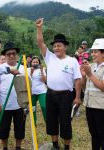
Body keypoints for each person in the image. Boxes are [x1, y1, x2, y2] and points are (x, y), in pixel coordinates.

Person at [35, 18, 82, 150]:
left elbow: (77, 80)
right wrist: (39, 28)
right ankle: (55, 145)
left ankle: (67, 146)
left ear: (65, 47)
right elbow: (40, 43)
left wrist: (77, 97)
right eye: (54, 46)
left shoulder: (72, 61)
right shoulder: (49, 57)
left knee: (65, 121)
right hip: (50, 94)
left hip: (66, 95)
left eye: (59, 45)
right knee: (51, 120)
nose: (56, 48)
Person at [0, 42, 26, 150]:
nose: (11, 56)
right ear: (5, 55)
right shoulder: (0, 68)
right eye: (8, 54)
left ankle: (18, 147)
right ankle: (5, 147)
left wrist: (27, 105)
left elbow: (27, 88)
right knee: (4, 129)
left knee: (20, 129)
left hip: (19, 105)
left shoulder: (23, 68)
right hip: (4, 105)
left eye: (13, 53)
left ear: (16, 55)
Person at [80, 38, 104, 150]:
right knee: (93, 134)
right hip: (89, 105)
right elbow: (84, 87)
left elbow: (103, 87)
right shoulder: (92, 66)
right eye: (92, 51)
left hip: (101, 107)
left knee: (102, 134)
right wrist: (84, 76)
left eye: (96, 52)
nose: (93, 54)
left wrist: (89, 75)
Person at [28, 56, 47, 125]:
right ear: (31, 63)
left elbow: (44, 80)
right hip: (32, 92)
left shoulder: (42, 69)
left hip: (42, 91)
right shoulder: (28, 70)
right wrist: (31, 73)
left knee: (44, 106)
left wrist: (42, 71)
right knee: (33, 108)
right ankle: (34, 123)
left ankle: (47, 121)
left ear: (39, 63)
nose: (35, 63)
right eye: (34, 62)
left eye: (37, 62)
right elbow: (28, 81)